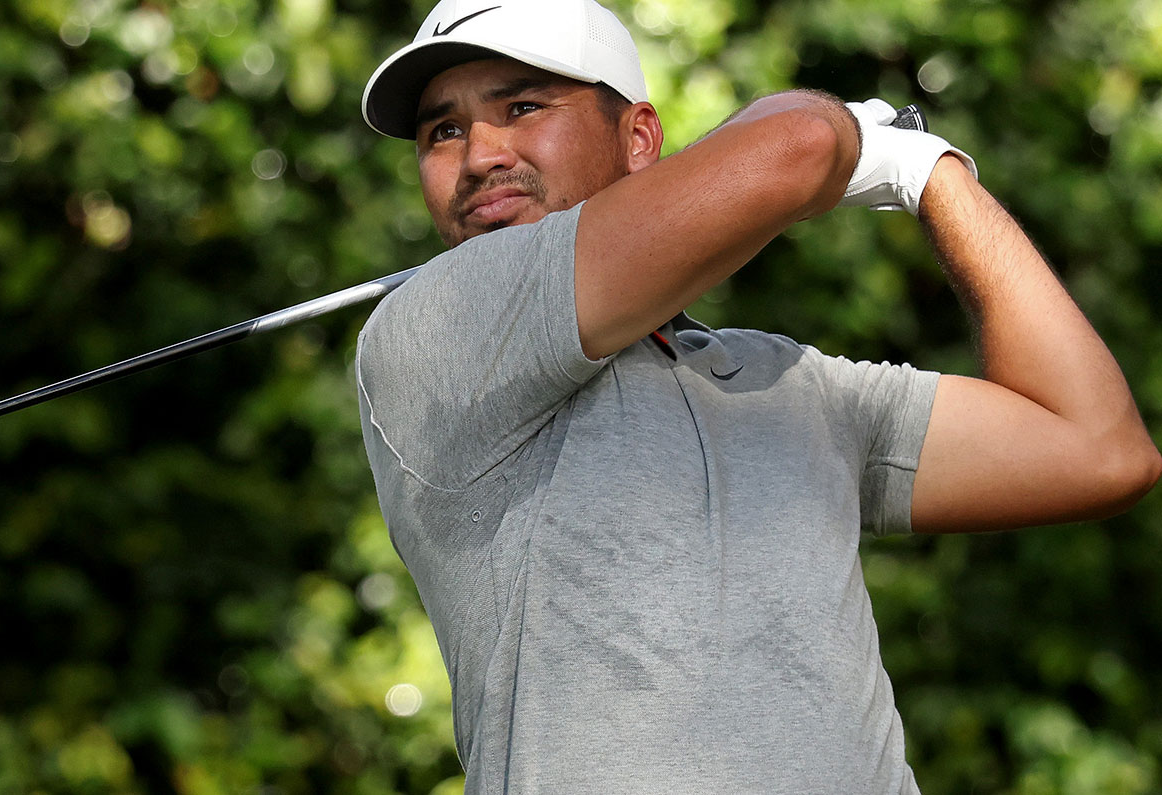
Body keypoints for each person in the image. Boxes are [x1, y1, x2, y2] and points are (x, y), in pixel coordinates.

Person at [352, 0, 1162, 791]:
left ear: (638, 139)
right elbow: (802, 142)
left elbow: (1098, 448)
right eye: (442, 131)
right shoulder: (435, 330)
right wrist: (849, 138)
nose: (479, 155)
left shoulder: (786, 385)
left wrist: (932, 175)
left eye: (523, 107)